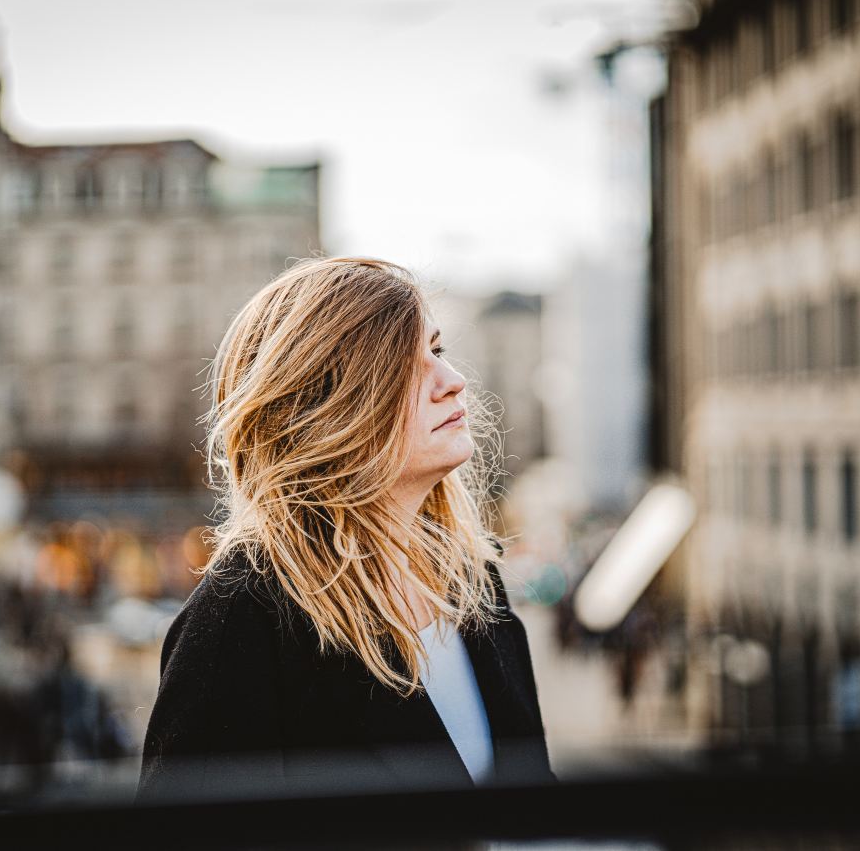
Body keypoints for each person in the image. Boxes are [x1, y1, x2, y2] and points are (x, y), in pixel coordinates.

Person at [136, 257, 555, 804]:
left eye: (438, 351)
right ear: (327, 405)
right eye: (406, 365)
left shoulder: (474, 584)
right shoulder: (242, 618)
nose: (453, 383)